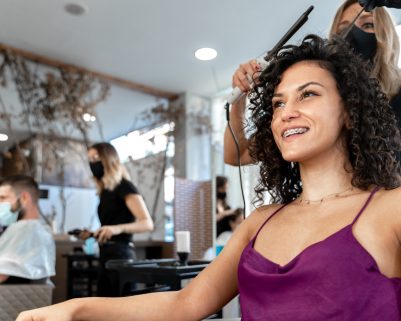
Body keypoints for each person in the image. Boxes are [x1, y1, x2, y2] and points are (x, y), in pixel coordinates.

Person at [16, 34, 401, 320]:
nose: (286, 112)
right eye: (279, 102)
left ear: (350, 112)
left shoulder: (390, 210)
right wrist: (75, 308)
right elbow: (184, 304)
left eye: (308, 95)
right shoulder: (259, 223)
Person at [224, 0, 401, 166]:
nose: (354, 35)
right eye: (343, 30)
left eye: (368, 25)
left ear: (388, 36)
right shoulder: (317, 107)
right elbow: (236, 155)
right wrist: (240, 95)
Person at [83, 142, 154, 296]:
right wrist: (93, 234)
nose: (92, 163)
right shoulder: (106, 191)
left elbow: (147, 223)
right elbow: (111, 225)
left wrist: (118, 228)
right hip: (105, 255)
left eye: (96, 158)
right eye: (89, 159)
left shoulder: (125, 186)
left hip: (121, 256)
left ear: (109, 159)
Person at [0, 175, 55, 284]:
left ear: (24, 198)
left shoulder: (26, 230)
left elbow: (2, 274)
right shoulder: (39, 229)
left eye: (2, 198)